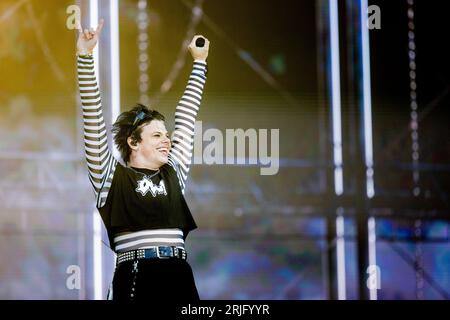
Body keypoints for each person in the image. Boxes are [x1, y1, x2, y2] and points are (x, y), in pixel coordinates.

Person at [76, 19, 209, 301]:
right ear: (134, 142)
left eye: (166, 134)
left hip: (179, 274)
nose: (167, 140)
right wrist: (85, 57)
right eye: (157, 135)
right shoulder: (111, 179)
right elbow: (93, 119)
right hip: (136, 275)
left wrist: (199, 63)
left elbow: (186, 118)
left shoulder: (174, 173)